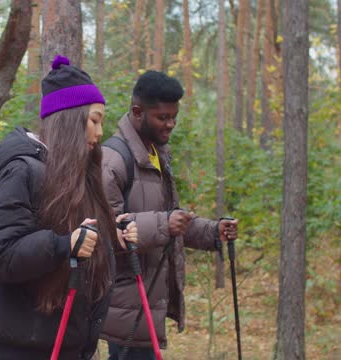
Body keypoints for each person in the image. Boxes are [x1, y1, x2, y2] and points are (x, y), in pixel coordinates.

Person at [0, 55, 138, 360]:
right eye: (94, 120)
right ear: (69, 119)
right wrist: (62, 245)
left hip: (67, 346)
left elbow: (77, 250)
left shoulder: (75, 175)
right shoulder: (21, 171)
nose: (99, 132)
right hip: (22, 349)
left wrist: (112, 240)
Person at [100, 70, 239, 359]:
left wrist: (214, 231)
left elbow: (173, 222)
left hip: (150, 300)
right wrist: (164, 223)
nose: (171, 124)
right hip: (126, 303)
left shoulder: (156, 154)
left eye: (174, 116)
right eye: (162, 117)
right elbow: (104, 234)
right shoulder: (112, 161)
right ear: (138, 112)